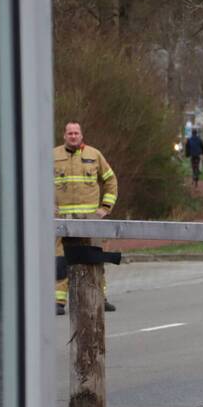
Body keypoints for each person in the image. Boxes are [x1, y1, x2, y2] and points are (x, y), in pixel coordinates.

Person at [54, 121, 118, 315]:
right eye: (70, 133)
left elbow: (110, 179)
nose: (73, 136)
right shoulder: (52, 156)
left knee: (95, 256)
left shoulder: (94, 155)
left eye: (76, 133)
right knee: (60, 259)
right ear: (64, 136)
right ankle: (58, 301)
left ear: (82, 136)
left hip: (90, 219)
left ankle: (100, 297)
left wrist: (105, 207)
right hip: (62, 219)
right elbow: (37, 181)